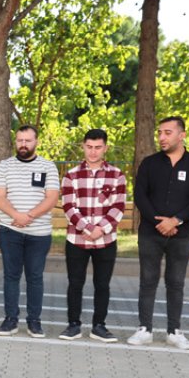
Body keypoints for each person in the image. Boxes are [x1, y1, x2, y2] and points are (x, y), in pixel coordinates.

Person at [128, 116, 189, 349]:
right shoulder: (149, 163)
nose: (162, 137)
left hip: (182, 234)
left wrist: (176, 220)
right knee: (148, 280)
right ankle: (145, 329)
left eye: (168, 132)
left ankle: (174, 331)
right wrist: (158, 222)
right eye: (160, 132)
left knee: (176, 282)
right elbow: (140, 196)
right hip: (150, 233)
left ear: (181, 135)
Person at [57, 129, 126, 342]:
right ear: (83, 146)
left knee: (102, 284)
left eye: (98, 147)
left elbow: (118, 207)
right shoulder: (71, 175)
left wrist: (100, 230)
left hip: (106, 240)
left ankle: (99, 326)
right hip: (77, 240)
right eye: (89, 147)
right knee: (75, 283)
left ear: (105, 147)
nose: (93, 152)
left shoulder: (117, 175)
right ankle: (73, 325)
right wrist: (87, 229)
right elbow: (69, 206)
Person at [0, 125, 60, 338]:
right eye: (20, 140)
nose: (23, 144)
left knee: (35, 277)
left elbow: (51, 198)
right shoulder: (4, 166)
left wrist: (28, 216)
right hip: (10, 231)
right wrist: (16, 216)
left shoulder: (48, 167)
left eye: (28, 140)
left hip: (38, 234)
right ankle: (10, 320)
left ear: (36, 142)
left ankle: (34, 322)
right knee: (11, 276)